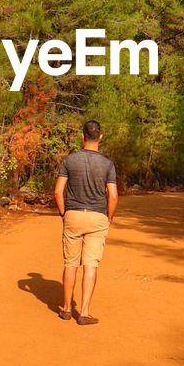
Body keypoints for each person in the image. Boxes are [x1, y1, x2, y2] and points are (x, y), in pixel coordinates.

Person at [53, 119, 118, 326]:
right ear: (100, 137)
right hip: (97, 216)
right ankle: (84, 312)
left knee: (70, 263)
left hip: (73, 214)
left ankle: (65, 308)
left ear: (82, 137)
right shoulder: (107, 164)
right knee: (90, 265)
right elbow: (113, 196)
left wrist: (64, 213)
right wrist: (109, 217)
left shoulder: (69, 161)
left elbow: (57, 191)